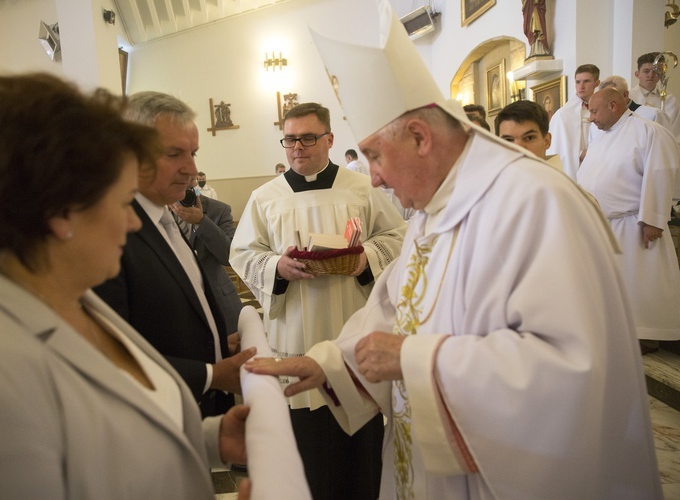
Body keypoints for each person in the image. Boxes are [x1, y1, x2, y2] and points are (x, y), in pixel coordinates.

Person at [246, 2, 661, 498]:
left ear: (420, 137)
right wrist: (332, 363)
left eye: (376, 155)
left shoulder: (534, 202)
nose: (372, 176)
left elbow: (573, 370)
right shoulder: (434, 207)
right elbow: (397, 306)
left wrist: (417, 359)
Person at [0, 72, 251, 499]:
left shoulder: (68, 299)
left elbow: (95, 437)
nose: (135, 221)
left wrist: (209, 439)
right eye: (122, 202)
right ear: (62, 213)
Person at [230, 102, 406, 499]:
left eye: (308, 138)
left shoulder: (363, 188)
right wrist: (278, 266)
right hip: (294, 333)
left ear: (329, 139)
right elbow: (242, 253)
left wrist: (364, 259)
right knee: (306, 447)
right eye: (290, 139)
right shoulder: (265, 197)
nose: (298, 147)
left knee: (357, 451)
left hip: (353, 328)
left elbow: (397, 238)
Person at [93, 91, 255, 418]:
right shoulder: (113, 233)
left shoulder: (165, 219)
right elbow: (111, 353)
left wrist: (218, 343)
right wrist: (210, 375)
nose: (192, 169)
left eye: (193, 153)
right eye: (174, 154)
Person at [578, 88, 680, 343]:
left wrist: (653, 219)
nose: (591, 118)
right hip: (602, 224)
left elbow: (660, 172)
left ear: (613, 106)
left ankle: (644, 337)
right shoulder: (600, 135)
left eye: (594, 111)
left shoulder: (648, 131)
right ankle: (615, 332)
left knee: (638, 285)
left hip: (634, 224)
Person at [171, 178, 243, 336]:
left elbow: (229, 256)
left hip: (218, 300)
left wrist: (201, 222)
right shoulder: (159, 211)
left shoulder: (219, 210)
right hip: (175, 304)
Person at [547, 63, 600, 180]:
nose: (581, 86)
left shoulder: (604, 110)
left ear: (597, 83)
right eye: (578, 82)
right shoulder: (563, 115)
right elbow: (558, 148)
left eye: (586, 81)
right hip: (578, 168)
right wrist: (581, 154)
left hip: (600, 165)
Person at [495, 99, 561, 169]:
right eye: (508, 140)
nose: (518, 148)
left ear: (547, 141)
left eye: (529, 138)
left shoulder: (559, 179)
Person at [630, 52, 680, 141]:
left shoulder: (670, 100)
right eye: (646, 71)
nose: (651, 75)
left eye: (656, 71)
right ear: (637, 74)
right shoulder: (629, 98)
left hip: (664, 145)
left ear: (662, 74)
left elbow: (675, 132)